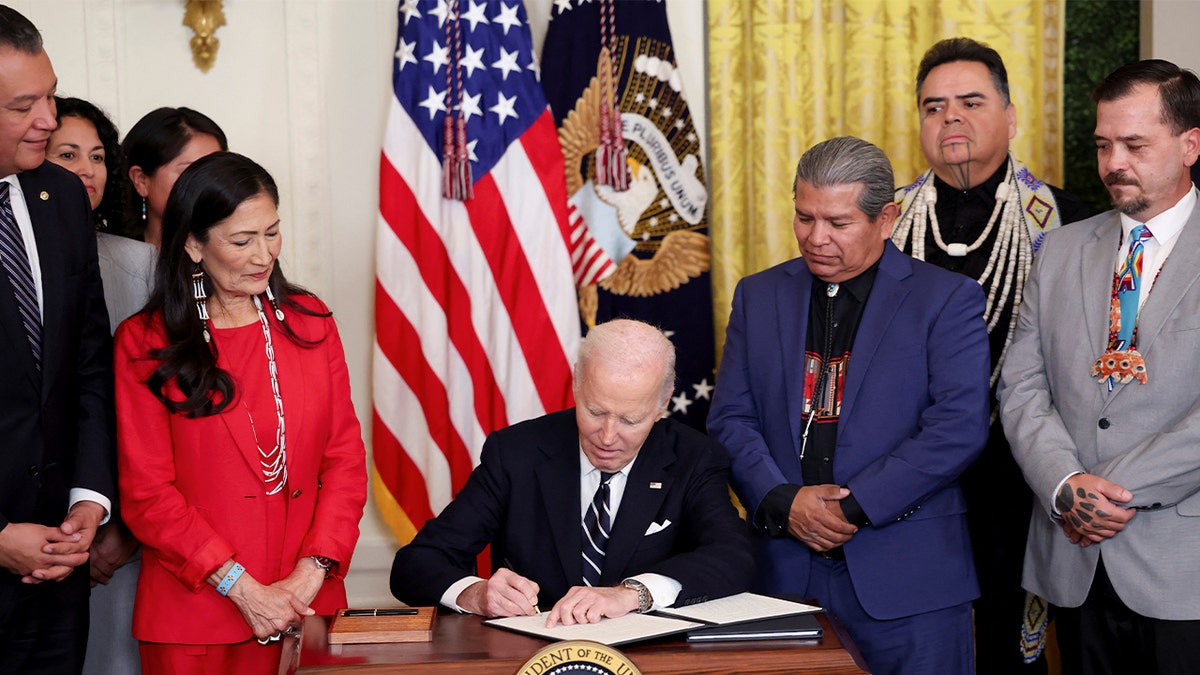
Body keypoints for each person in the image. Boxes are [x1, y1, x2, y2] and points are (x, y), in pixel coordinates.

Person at [708, 136, 990, 674]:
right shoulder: (758, 295)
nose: (816, 238)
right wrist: (783, 500)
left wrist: (851, 507)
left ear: (886, 219)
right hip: (780, 572)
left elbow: (957, 428)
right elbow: (731, 419)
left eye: (838, 223)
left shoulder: (946, 299)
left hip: (910, 579)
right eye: (804, 217)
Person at [113, 151, 367, 673]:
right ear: (193, 244)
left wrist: (311, 573)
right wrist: (242, 588)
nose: (263, 254)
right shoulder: (144, 342)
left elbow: (344, 460)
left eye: (272, 233)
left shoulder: (311, 322)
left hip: (307, 606)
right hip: (197, 617)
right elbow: (147, 494)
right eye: (242, 240)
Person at [889, 37, 1093, 672]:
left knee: (1008, 650)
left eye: (971, 102)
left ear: (1010, 115)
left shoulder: (1072, 222)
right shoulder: (883, 222)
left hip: (1023, 473)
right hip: (908, 473)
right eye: (933, 106)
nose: (950, 117)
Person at [999, 59, 1200, 675]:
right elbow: (1021, 385)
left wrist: (1104, 494)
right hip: (1073, 558)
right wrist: (1065, 485)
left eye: (1135, 145)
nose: (1114, 163)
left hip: (1183, 567)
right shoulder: (1059, 249)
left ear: (1190, 144)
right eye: (1103, 145)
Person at [391, 318, 753, 627]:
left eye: (630, 420)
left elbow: (734, 557)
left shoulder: (694, 457)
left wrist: (632, 594)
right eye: (595, 411)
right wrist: (476, 593)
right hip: (532, 657)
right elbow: (416, 563)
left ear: (663, 403)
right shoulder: (516, 452)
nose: (607, 437)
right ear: (577, 381)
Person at [0, 7, 116, 673]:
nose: (49, 118)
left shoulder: (62, 198)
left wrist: (88, 499)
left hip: (59, 572)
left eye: (51, 94)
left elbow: (88, 362)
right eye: (24, 106)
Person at [45, 95, 154, 675]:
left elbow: (162, 416)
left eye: (96, 156)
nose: (86, 170)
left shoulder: (143, 265)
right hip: (32, 532)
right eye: (67, 154)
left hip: (126, 533)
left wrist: (125, 532)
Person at [121, 106, 226, 248]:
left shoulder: (235, 255)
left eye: (215, 172)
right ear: (141, 180)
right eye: (190, 172)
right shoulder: (106, 255)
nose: (208, 184)